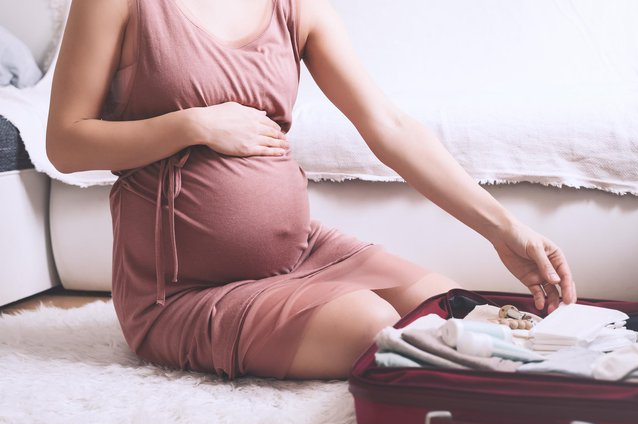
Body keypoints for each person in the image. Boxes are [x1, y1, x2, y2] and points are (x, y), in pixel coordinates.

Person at [46, 0, 576, 380]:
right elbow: (65, 144)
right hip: (183, 290)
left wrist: (504, 230)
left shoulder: (297, 6)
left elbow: (388, 126)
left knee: (451, 310)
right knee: (378, 328)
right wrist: (194, 125)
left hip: (302, 254)